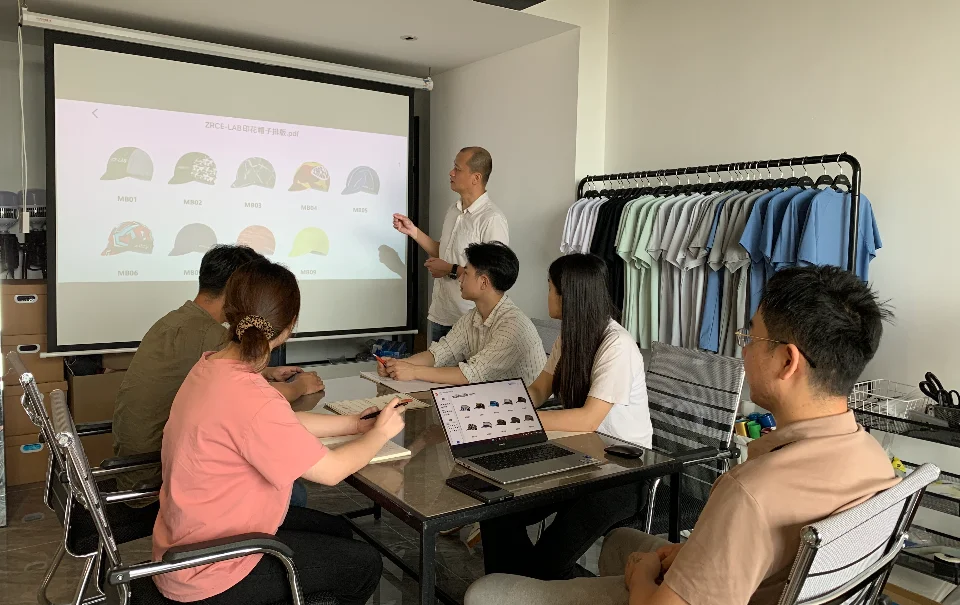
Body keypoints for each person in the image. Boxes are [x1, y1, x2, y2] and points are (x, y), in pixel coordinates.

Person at [465, 265, 899, 605]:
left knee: (485, 593)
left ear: (787, 361)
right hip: (757, 579)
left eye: (750, 335)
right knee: (617, 544)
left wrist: (643, 577)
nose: (743, 347)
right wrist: (693, 554)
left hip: (629, 486)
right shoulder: (875, 461)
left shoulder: (751, 493)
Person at [153, 258, 405, 605]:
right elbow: (330, 472)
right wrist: (380, 434)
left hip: (188, 544)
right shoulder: (250, 395)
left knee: (338, 530)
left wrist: (353, 424)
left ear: (230, 312)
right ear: (289, 326)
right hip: (213, 570)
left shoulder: (211, 366)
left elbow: (277, 424)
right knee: (363, 565)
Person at [478, 254, 651, 581]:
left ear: (568, 295)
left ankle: (539, 587)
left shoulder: (617, 346)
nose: (547, 295)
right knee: (496, 510)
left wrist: (521, 422)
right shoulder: (569, 336)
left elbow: (588, 420)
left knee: (549, 561)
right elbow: (539, 390)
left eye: (550, 288)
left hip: (621, 472)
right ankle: (511, 590)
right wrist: (500, 410)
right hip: (577, 457)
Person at [113, 245, 324, 503]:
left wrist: (268, 372)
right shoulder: (212, 334)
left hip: (131, 466)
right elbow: (253, 401)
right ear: (235, 289)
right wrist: (300, 386)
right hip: (160, 476)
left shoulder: (175, 320)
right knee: (292, 490)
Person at [380, 241, 545, 386]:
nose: (460, 279)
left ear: (483, 282)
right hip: (496, 399)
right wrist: (398, 365)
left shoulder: (513, 326)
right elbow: (441, 353)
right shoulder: (473, 317)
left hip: (531, 407)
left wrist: (413, 371)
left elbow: (471, 374)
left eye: (466, 273)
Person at [393, 146, 508, 342]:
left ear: (476, 178)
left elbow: (495, 277)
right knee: (432, 363)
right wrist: (413, 231)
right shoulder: (453, 210)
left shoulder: (491, 219)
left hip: (470, 320)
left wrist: (450, 269)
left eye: (457, 169)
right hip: (439, 314)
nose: (451, 173)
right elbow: (444, 252)